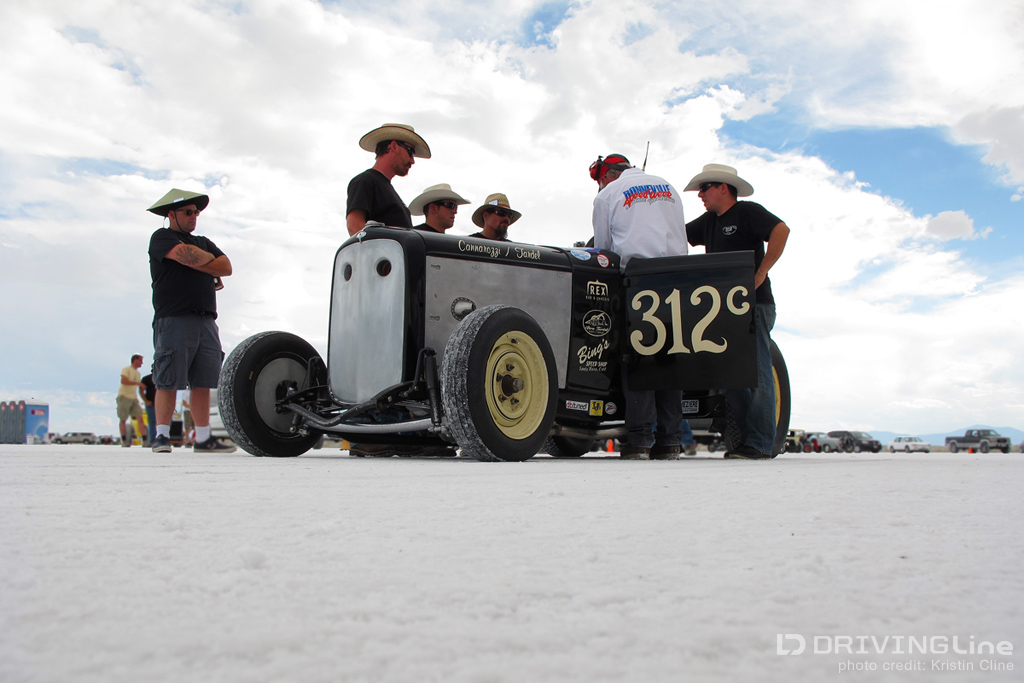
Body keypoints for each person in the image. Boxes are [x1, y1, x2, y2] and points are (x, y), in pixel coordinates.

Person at [683, 163, 790, 460]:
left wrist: (761, 272)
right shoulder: (708, 222)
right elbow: (676, 233)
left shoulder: (748, 212)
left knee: (756, 374)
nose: (700, 195)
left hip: (755, 306)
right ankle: (744, 442)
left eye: (705, 188)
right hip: (722, 311)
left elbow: (781, 230)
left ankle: (761, 443)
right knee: (731, 377)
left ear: (723, 188)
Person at [591, 153, 688, 460]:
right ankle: (671, 440)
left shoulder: (608, 194)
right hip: (677, 278)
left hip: (637, 278)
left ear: (606, 176)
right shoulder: (668, 188)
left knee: (638, 356)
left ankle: (639, 440)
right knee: (671, 357)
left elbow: (603, 251)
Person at [146, 188, 237, 454]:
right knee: (167, 378)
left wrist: (199, 262)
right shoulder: (161, 237)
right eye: (188, 212)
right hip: (174, 317)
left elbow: (227, 267)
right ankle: (161, 436)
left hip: (206, 319)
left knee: (203, 381)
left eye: (196, 212)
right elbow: (194, 256)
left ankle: (202, 438)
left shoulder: (204, 241)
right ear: (171, 214)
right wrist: (208, 265)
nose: (194, 216)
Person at [346, 123, 430, 236]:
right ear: (393, 146)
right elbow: (354, 226)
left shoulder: (386, 188)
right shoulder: (365, 181)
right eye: (410, 152)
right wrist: (381, 252)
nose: (412, 161)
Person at [117, 354, 145, 447]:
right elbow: (124, 381)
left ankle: (145, 440)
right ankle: (124, 440)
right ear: (135, 360)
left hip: (133, 398)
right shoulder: (126, 369)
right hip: (124, 396)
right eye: (140, 360)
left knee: (140, 418)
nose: (142, 363)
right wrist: (138, 383)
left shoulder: (138, 373)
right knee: (123, 419)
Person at [140, 366, 157, 445]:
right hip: (151, 404)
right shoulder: (146, 379)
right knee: (152, 422)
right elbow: (141, 390)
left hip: (160, 404)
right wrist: (146, 401)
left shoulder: (162, 379)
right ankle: (152, 441)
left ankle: (163, 437)